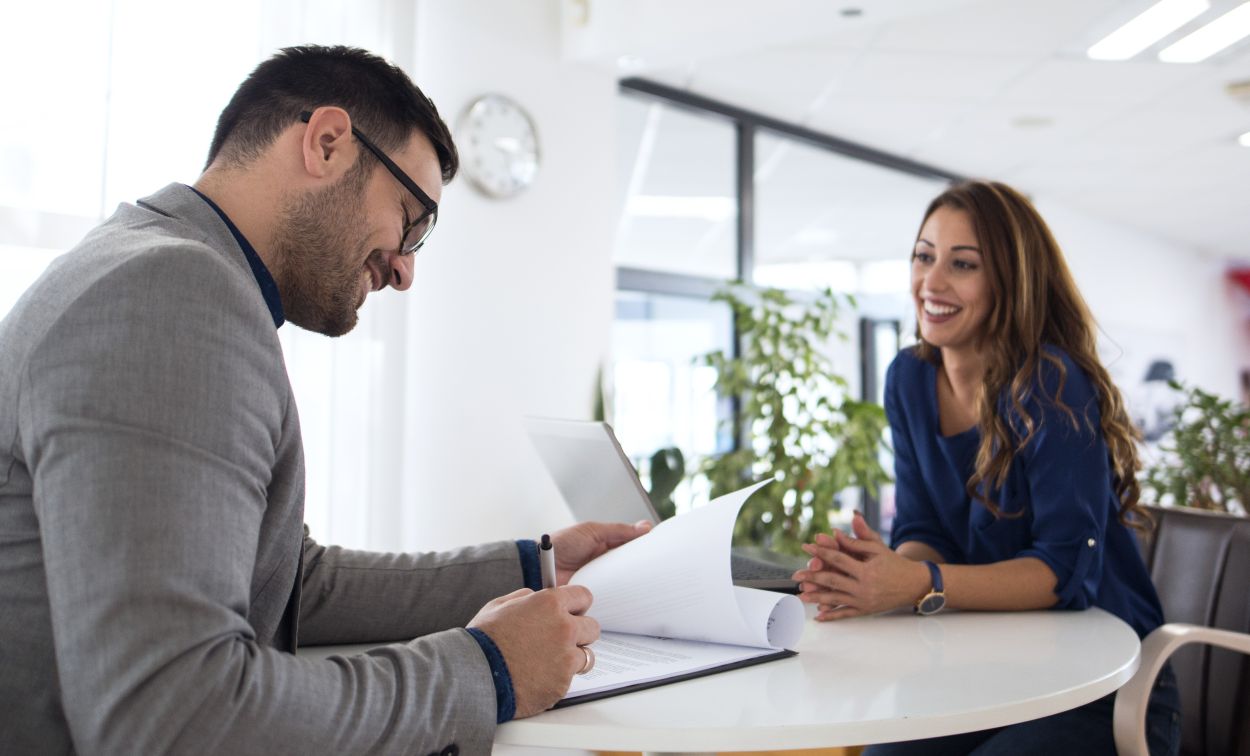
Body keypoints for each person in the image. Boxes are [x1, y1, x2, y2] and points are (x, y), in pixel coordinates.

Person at [0, 45, 649, 755]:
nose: (404, 270)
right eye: (413, 218)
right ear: (328, 143)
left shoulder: (156, 268)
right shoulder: (170, 294)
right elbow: (172, 712)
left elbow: (288, 579)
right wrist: (488, 670)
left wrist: (539, 567)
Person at [791, 180, 1181, 755]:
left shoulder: (1050, 382)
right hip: (990, 663)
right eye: (924, 257)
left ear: (1009, 280)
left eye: (963, 264)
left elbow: (1065, 570)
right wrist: (882, 577)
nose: (932, 282)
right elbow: (925, 530)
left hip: (1108, 682)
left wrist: (919, 583)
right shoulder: (909, 377)